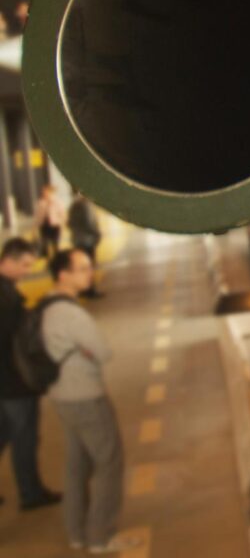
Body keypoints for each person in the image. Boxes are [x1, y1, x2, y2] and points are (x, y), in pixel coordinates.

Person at [44, 250, 138, 554]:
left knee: (76, 464)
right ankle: (101, 535)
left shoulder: (48, 306)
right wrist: (88, 352)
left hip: (62, 395)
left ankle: (76, 533)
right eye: (83, 268)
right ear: (63, 275)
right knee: (109, 462)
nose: (90, 273)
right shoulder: (71, 314)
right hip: (85, 396)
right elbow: (103, 350)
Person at [0, 238, 61, 511]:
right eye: (24, 265)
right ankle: (30, 493)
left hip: (6, 382)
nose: (27, 271)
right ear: (7, 261)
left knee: (4, 433)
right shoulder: (6, 298)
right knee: (24, 438)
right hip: (14, 382)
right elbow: (15, 341)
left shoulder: (7, 292)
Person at [67, 191, 103, 298]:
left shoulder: (74, 206)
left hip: (77, 240)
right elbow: (90, 222)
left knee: (81, 266)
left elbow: (69, 223)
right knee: (89, 266)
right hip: (88, 240)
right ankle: (90, 289)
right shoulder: (86, 205)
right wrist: (97, 234)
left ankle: (83, 288)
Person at [35, 184, 66, 259]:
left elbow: (62, 215)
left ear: (51, 192)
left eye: (46, 192)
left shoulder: (58, 203)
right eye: (43, 192)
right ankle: (46, 258)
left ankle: (57, 258)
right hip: (44, 226)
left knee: (55, 243)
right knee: (44, 243)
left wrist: (61, 224)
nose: (44, 193)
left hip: (55, 226)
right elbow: (38, 216)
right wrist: (35, 227)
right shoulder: (41, 203)